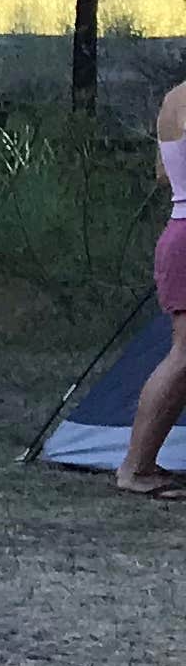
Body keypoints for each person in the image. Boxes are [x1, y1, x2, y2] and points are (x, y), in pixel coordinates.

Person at [126, 74, 186, 494]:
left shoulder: (173, 99)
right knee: (184, 357)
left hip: (179, 230)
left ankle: (140, 466)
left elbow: (163, 175)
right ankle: (136, 469)